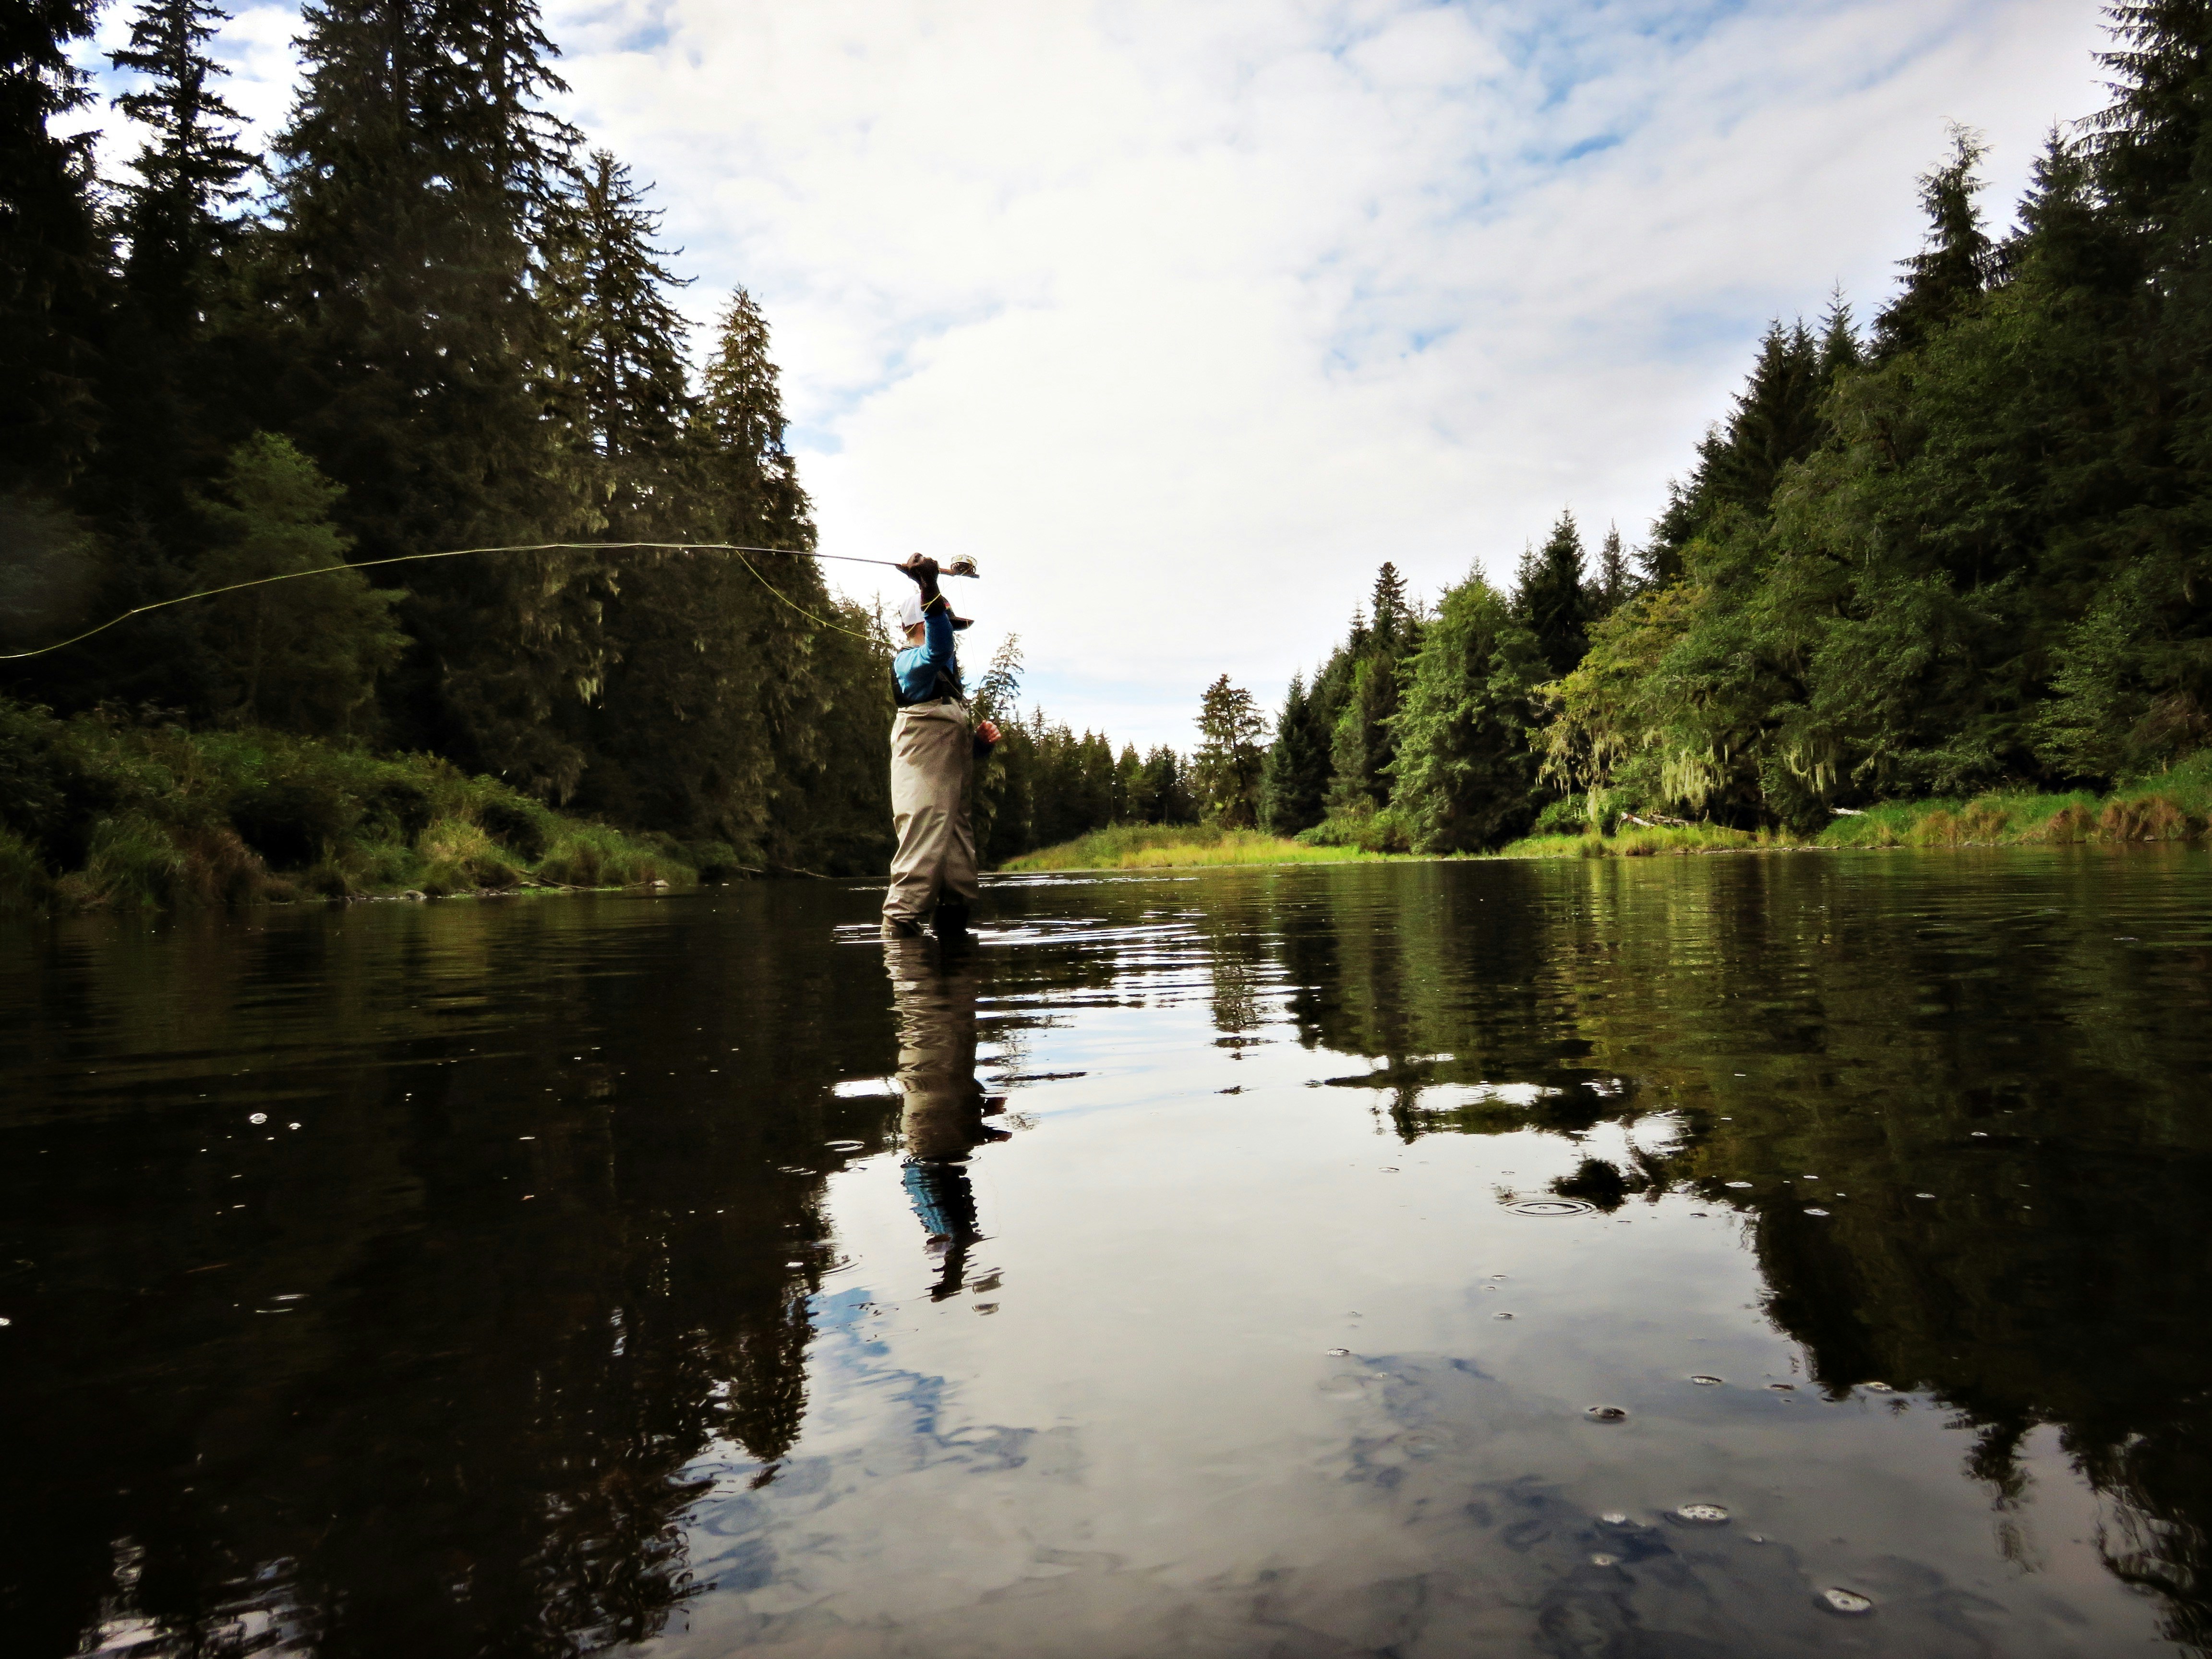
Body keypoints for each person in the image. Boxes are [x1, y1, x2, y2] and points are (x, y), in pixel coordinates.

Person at [884, 554, 999, 938]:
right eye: (945, 625)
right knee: (915, 877)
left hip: (949, 798)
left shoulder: (950, 691)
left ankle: (954, 975)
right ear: (918, 624)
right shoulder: (909, 664)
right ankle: (905, 975)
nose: (952, 638)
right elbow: (936, 648)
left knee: (958, 884)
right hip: (921, 796)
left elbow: (954, 759)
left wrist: (980, 748)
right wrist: (930, 587)